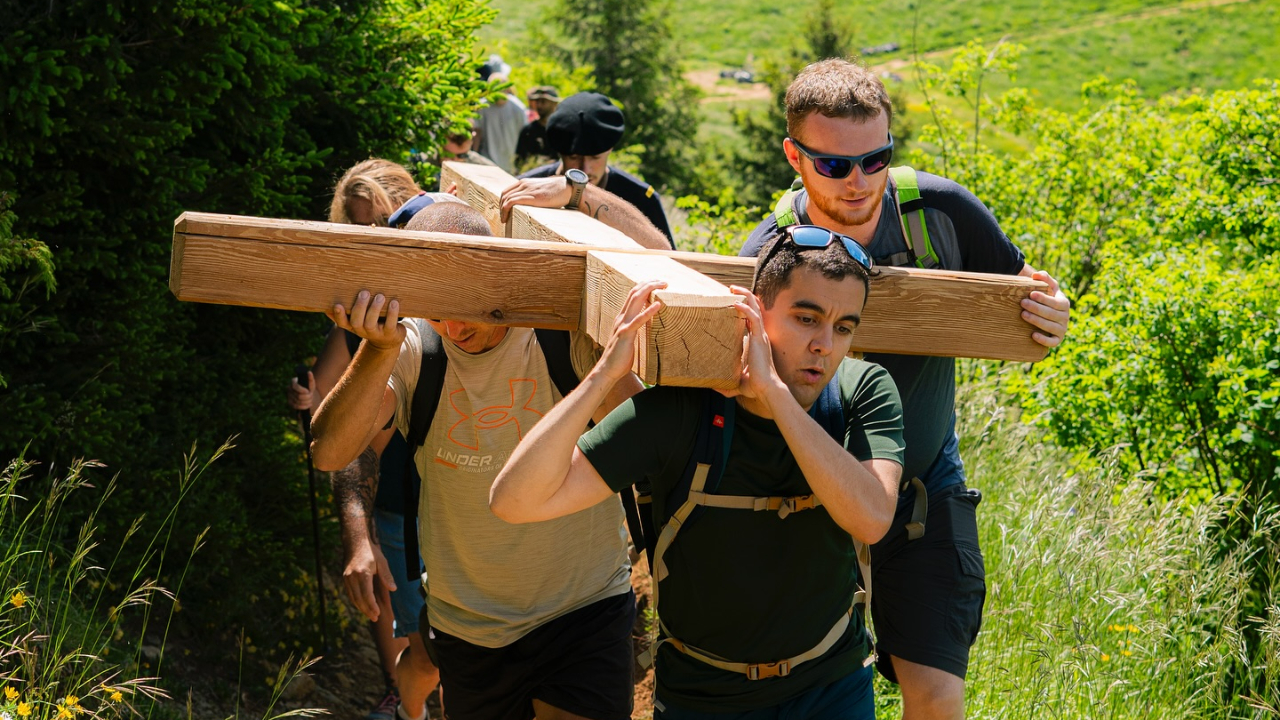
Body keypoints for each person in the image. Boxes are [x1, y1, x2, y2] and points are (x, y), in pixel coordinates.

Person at [738, 58, 1072, 720]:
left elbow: (1024, 295)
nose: (859, 180)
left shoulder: (939, 215)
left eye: (876, 158)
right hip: (805, 495)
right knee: (810, 690)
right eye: (834, 165)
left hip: (924, 487)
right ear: (793, 157)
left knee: (937, 694)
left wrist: (1054, 311)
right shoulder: (771, 248)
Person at [490, 231, 905, 719]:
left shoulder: (862, 392)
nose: (824, 346)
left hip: (829, 685)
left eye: (844, 328)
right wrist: (604, 375)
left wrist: (774, 395)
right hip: (702, 696)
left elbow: (873, 516)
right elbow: (514, 500)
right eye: (806, 318)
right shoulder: (682, 411)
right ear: (755, 310)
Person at [310, 199, 650, 720]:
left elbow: (648, 442)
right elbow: (331, 452)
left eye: (461, 305)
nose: (450, 326)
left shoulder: (560, 334)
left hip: (583, 608)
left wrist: (610, 366)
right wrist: (376, 350)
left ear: (495, 275)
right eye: (435, 311)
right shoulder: (412, 348)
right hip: (470, 624)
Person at [291, 158, 441, 720]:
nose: (375, 238)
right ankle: (402, 701)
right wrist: (310, 403)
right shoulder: (358, 316)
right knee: (403, 630)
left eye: (385, 222)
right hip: (395, 499)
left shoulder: (448, 305)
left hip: (456, 495)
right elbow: (336, 427)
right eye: (361, 228)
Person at [519, 92, 675, 247]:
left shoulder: (641, 198)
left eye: (595, 157)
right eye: (573, 157)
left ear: (610, 149)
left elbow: (671, 259)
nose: (584, 169)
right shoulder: (528, 187)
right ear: (560, 153)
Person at [474, 74, 528, 174]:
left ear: (507, 88)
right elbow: (477, 133)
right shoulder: (482, 106)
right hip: (486, 162)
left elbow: (524, 136)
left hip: (510, 163)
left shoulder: (518, 108)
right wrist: (474, 156)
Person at [515, 86, 561, 170]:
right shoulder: (528, 131)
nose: (539, 105)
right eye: (537, 101)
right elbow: (519, 160)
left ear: (554, 103)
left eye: (543, 102)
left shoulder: (561, 131)